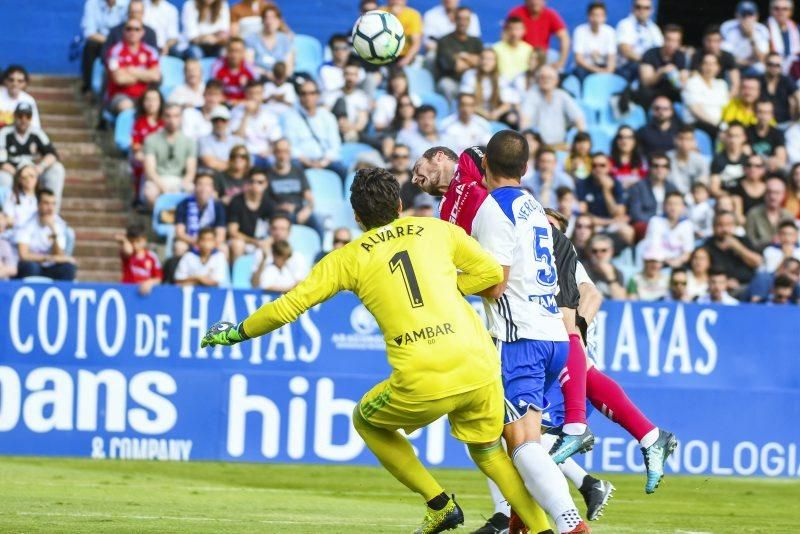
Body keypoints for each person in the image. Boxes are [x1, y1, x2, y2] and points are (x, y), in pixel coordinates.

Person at [201, 166, 576, 534]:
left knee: (365, 420)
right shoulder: (437, 229)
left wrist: (235, 333)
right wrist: (448, 288)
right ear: (400, 205)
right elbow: (493, 274)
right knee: (490, 453)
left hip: (422, 375)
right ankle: (543, 531)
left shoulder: (346, 258)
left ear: (358, 217)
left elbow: (288, 307)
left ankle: (439, 504)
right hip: (479, 365)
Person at [468, 132, 590, 531]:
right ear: (524, 168)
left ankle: (571, 524)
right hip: (552, 333)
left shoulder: (494, 208)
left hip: (519, 338)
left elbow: (495, 283)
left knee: (520, 445)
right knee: (525, 439)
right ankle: (523, 524)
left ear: (485, 163)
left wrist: (447, 279)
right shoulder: (534, 207)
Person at [0, 103, 65, 202]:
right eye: (20, 116)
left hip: (34, 170)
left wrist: (40, 168)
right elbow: (2, 162)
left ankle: (51, 211)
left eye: (28, 116)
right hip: (13, 171)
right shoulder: (5, 133)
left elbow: (52, 154)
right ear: (15, 116)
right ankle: (6, 213)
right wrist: (20, 175)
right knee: (3, 177)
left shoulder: (37, 133)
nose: (24, 120)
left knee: (57, 169)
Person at [284, 79, 346, 180]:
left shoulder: (328, 117)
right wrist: (308, 162)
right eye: (303, 93)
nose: (308, 97)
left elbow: (335, 146)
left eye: (312, 93)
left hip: (326, 160)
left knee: (342, 169)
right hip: (302, 161)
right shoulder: (291, 118)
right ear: (299, 96)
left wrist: (323, 162)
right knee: (293, 165)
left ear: (318, 95)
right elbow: (291, 147)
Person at [266, 138, 325, 237]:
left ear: (290, 153)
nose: (282, 156)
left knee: (317, 220)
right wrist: (280, 207)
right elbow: (264, 202)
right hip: (278, 214)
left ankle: (323, 252)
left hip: (299, 212)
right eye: (279, 151)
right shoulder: (267, 174)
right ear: (274, 153)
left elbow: (310, 199)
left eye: (286, 152)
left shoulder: (298, 171)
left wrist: (307, 210)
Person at [14, 188, 76, 281]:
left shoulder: (59, 224)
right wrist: (49, 258)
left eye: (53, 204)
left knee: (68, 268)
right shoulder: (27, 223)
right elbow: (24, 255)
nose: (50, 208)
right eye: (46, 203)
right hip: (32, 265)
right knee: (30, 267)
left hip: (50, 266)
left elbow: (59, 254)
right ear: (38, 205)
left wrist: (53, 231)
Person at [576, 152, 635, 249]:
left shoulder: (616, 184)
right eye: (594, 165)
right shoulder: (583, 184)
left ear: (609, 167)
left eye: (602, 165)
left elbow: (618, 213)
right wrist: (611, 221)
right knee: (583, 227)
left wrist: (606, 190)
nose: (598, 169)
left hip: (612, 224)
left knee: (628, 231)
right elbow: (584, 214)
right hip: (593, 224)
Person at [142, 103, 197, 206]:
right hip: (158, 180)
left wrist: (180, 188)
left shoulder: (189, 141)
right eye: (168, 116)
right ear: (162, 117)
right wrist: (164, 189)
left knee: (195, 191)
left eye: (176, 116)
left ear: (181, 118)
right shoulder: (151, 139)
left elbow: (190, 172)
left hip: (180, 180)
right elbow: (150, 171)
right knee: (150, 193)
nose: (172, 120)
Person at [104, 17, 161, 115]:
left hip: (145, 96)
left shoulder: (150, 52)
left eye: (136, 29)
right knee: (127, 108)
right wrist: (145, 75)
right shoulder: (114, 52)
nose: (132, 32)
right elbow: (119, 79)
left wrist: (131, 70)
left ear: (142, 32)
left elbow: (156, 76)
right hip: (120, 96)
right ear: (124, 32)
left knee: (156, 105)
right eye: (129, 29)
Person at [519, 65, 585, 148]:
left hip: (560, 144)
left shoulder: (562, 95)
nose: (546, 80)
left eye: (549, 77)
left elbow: (579, 117)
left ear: (556, 81)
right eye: (542, 77)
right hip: (538, 147)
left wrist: (581, 140)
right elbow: (525, 121)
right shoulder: (531, 96)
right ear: (537, 80)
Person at [703, 210, 763, 291]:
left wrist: (738, 248)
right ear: (713, 227)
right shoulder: (707, 245)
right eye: (720, 225)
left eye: (728, 225)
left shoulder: (743, 241)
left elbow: (757, 262)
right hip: (716, 289)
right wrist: (724, 283)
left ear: (734, 226)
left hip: (745, 287)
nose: (724, 229)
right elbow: (701, 272)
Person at [227, 167, 276, 261]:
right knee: (237, 244)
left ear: (266, 184)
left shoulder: (270, 204)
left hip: (262, 241)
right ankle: (237, 275)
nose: (255, 185)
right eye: (252, 181)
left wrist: (268, 241)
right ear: (247, 183)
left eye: (260, 182)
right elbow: (232, 231)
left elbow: (275, 229)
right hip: (243, 241)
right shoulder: (237, 201)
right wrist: (254, 242)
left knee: (271, 247)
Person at [80, 0, 129, 96]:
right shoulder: (92, 3)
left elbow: (130, 28)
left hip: (122, 43)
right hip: (101, 42)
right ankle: (89, 88)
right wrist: (110, 41)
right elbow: (90, 33)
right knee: (90, 46)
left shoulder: (128, 3)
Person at [434, 7, 483, 102]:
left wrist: (463, 56)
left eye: (466, 19)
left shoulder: (476, 42)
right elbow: (455, 66)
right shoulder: (444, 41)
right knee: (446, 85)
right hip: (453, 81)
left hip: (472, 82)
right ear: (454, 19)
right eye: (460, 18)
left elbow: (481, 63)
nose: (463, 22)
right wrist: (472, 60)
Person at [506, 0, 570, 72]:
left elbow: (564, 38)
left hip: (543, 56)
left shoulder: (550, 14)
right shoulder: (516, 13)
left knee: (556, 67)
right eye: (532, 0)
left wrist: (561, 62)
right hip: (521, 57)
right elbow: (506, 35)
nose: (535, 2)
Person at [459, 49, 517, 127]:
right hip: (475, 112)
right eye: (483, 58)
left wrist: (496, 113)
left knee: (512, 118)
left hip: (495, 114)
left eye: (489, 59)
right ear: (479, 60)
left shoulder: (501, 78)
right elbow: (465, 100)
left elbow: (507, 104)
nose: (485, 62)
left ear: (495, 62)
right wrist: (484, 114)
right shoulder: (470, 75)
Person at [637, 24, 688, 107]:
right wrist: (661, 72)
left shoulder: (680, 56)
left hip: (670, 94)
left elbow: (683, 80)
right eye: (669, 40)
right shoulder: (650, 54)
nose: (671, 44)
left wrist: (681, 78)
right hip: (652, 94)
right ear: (663, 39)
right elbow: (646, 83)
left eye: (676, 41)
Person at [230, 80, 282, 161]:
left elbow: (276, 141)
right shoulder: (236, 111)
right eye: (251, 93)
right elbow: (236, 138)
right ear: (246, 94)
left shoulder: (270, 114)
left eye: (257, 93)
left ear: (262, 95)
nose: (254, 97)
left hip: (266, 155)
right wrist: (246, 114)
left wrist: (269, 151)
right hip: (245, 155)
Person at [626, 152, 680, 231]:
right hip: (646, 225)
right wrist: (657, 224)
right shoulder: (638, 187)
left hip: (669, 225)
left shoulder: (672, 188)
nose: (659, 169)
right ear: (650, 168)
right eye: (655, 166)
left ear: (669, 169)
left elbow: (679, 210)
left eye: (664, 166)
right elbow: (636, 214)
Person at [681, 53, 730, 135]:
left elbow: (725, 107)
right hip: (697, 124)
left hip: (719, 125)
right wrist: (716, 124)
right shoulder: (692, 82)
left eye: (713, 64)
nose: (709, 67)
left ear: (718, 67)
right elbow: (695, 109)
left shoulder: (722, 84)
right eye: (706, 63)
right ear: (700, 66)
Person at [643, 191, 695, 268]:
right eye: (670, 204)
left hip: (679, 264)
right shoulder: (655, 221)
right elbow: (653, 246)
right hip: (657, 262)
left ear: (683, 207)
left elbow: (688, 251)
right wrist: (666, 261)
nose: (673, 207)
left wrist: (677, 262)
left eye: (677, 204)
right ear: (664, 206)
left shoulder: (687, 224)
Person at [174, 172, 226, 249]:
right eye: (200, 184)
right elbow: (180, 233)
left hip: (211, 242)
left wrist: (208, 244)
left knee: (223, 248)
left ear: (213, 189)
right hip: (190, 240)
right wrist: (198, 242)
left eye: (208, 185)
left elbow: (221, 235)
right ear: (194, 187)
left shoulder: (218, 206)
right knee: (180, 246)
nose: (204, 188)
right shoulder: (183, 204)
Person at [615, 0, 663, 81]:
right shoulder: (625, 24)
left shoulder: (654, 28)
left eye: (646, 8)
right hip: (628, 67)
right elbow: (625, 50)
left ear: (651, 10)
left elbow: (661, 49)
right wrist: (647, 62)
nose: (642, 11)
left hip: (650, 66)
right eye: (638, 7)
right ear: (632, 8)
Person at [245, 5, 294, 80]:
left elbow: (289, 66)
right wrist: (266, 74)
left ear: (279, 21)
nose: (269, 22)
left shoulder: (285, 39)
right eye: (267, 18)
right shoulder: (251, 39)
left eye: (273, 18)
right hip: (259, 78)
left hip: (281, 78)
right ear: (262, 20)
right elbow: (249, 65)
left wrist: (280, 77)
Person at [689, 25, 740, 97]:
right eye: (709, 40)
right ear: (704, 40)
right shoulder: (697, 55)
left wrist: (726, 100)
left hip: (721, 91)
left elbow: (735, 83)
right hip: (702, 91)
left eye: (716, 41)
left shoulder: (728, 56)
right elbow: (693, 77)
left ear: (721, 41)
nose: (712, 45)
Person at [745, 175, 794, 251]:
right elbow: (749, 242)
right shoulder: (753, 214)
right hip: (759, 257)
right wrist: (770, 242)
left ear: (783, 195)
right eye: (769, 192)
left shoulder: (788, 216)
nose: (773, 196)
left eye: (777, 193)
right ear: (764, 194)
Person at [721, 1, 770, 74]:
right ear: (737, 15)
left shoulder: (762, 30)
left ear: (756, 16)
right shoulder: (727, 27)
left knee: (761, 68)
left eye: (750, 15)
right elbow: (725, 56)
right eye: (744, 15)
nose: (747, 19)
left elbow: (762, 58)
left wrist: (751, 37)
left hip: (752, 66)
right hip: (733, 65)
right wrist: (745, 62)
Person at [571, 2, 617, 81]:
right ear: (588, 16)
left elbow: (611, 58)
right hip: (586, 68)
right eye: (594, 15)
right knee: (579, 72)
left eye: (600, 15)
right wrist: (597, 71)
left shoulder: (610, 32)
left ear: (605, 17)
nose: (596, 19)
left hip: (604, 67)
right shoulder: (579, 31)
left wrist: (608, 71)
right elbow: (578, 59)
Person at [330, 63, 372, 143]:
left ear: (357, 77)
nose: (350, 78)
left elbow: (362, 122)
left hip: (352, 131)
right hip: (334, 130)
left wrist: (349, 127)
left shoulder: (362, 97)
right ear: (343, 76)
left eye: (353, 75)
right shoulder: (333, 94)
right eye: (347, 74)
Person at [116, 222, 162, 295]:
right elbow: (128, 251)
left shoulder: (152, 257)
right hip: (127, 292)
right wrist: (124, 240)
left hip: (144, 294)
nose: (134, 244)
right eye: (132, 242)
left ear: (144, 240)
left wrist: (149, 283)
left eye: (137, 241)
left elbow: (158, 278)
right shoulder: (128, 255)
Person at [198, 105, 246, 172]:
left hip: (231, 177)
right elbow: (210, 163)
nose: (219, 124)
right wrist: (234, 166)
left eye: (223, 120)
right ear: (211, 122)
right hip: (212, 176)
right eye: (216, 120)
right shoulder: (203, 140)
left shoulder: (237, 141)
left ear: (228, 122)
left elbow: (245, 163)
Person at [211, 37, 256, 104]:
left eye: (237, 51)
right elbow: (213, 92)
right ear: (227, 51)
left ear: (243, 52)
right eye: (231, 50)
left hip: (244, 105)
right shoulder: (218, 67)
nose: (234, 55)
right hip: (223, 105)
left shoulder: (250, 69)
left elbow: (255, 95)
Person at [668, 125, 710, 194]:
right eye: (681, 138)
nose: (684, 143)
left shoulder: (701, 160)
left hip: (695, 197)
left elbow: (703, 182)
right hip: (674, 197)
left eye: (688, 139)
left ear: (694, 142)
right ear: (675, 140)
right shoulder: (667, 159)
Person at [710, 121, 750, 195]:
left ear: (744, 137)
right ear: (726, 137)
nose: (733, 140)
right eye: (730, 136)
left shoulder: (749, 160)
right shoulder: (718, 160)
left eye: (737, 136)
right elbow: (714, 188)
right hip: (725, 198)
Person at [380, 0, 423, 67]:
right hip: (382, 55)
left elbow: (416, 43)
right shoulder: (380, 12)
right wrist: (393, 15)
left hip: (404, 55)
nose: (396, 1)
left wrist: (407, 59)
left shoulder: (413, 15)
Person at [761, 52, 799, 124]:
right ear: (765, 64)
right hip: (763, 123)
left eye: (777, 65)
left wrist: (795, 121)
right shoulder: (759, 81)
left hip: (783, 123)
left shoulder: (786, 80)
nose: (774, 68)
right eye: (770, 64)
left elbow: (798, 97)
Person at [747, 100, 787, 172]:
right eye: (760, 112)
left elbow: (781, 160)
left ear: (772, 115)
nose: (763, 116)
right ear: (755, 113)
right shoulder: (747, 132)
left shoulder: (778, 133)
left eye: (767, 113)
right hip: (751, 170)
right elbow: (746, 154)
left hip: (771, 170)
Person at [585, 233, 626, 299]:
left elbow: (620, 300)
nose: (599, 254)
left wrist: (610, 277)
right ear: (589, 252)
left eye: (603, 250)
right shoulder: (583, 270)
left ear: (611, 251)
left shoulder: (617, 272)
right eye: (594, 251)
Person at [730, 153, 768, 219]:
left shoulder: (769, 188)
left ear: (763, 170)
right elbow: (738, 215)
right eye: (749, 165)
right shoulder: (737, 187)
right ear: (744, 168)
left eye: (758, 166)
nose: (752, 169)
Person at [609, 125, 647, 189]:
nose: (624, 141)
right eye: (620, 137)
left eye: (629, 137)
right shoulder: (608, 162)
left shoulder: (642, 162)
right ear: (616, 141)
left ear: (635, 141)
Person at [318, 34, 355, 101]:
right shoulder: (325, 70)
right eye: (336, 48)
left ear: (349, 50)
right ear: (331, 51)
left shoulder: (356, 69)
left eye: (344, 48)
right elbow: (331, 91)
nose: (340, 52)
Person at [2, 165, 39, 230]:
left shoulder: (42, 197)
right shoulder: (13, 196)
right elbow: (9, 218)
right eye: (24, 177)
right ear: (19, 180)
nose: (28, 180)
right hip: (16, 232)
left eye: (31, 176)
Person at [768, 0, 800, 72]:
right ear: (770, 10)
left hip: (794, 70)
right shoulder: (764, 28)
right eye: (776, 8)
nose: (780, 12)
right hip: (772, 68)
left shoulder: (797, 29)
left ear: (791, 11)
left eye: (785, 9)